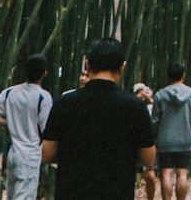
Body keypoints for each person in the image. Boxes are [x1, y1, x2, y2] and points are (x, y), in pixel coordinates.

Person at [42, 37, 159, 200]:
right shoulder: (135, 107)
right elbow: (148, 157)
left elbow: (47, 154)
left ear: (87, 66)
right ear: (122, 67)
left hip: (71, 192)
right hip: (117, 191)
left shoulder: (64, 104)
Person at [0, 53, 52, 200]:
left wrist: (7, 123)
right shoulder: (43, 97)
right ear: (44, 73)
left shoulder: (11, 92)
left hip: (13, 153)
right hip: (30, 154)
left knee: (12, 196)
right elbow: (46, 127)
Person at [152, 62, 191, 200]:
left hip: (165, 140)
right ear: (183, 75)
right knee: (182, 173)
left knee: (166, 173)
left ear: (168, 76)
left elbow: (155, 121)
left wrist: (154, 139)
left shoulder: (160, 95)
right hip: (185, 139)